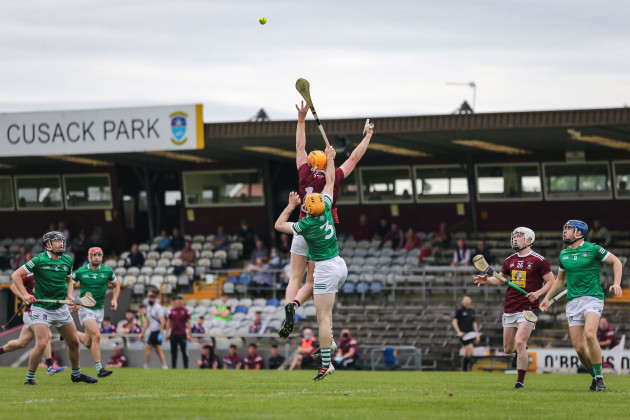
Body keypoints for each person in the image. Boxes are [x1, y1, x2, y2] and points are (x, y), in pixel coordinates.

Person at [281, 104, 373, 342]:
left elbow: (299, 146)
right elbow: (354, 157)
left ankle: (288, 307)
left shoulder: (304, 172)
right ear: (325, 163)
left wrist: (301, 120)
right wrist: (368, 136)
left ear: (313, 163)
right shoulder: (335, 177)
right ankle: (313, 319)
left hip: (302, 226)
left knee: (294, 277)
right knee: (312, 282)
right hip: (321, 234)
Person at [276, 145, 348, 381]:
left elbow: (279, 225)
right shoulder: (326, 207)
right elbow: (329, 182)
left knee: (323, 318)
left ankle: (327, 364)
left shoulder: (305, 225)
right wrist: (331, 159)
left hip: (326, 269)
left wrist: (291, 207)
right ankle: (301, 311)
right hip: (340, 265)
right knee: (327, 314)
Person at [541, 220, 623, 392]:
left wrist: (617, 283)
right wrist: (547, 298)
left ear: (579, 232)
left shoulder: (593, 249)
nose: (565, 232)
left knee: (590, 335)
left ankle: (600, 377)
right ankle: (594, 376)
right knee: (579, 348)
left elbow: (617, 262)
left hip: (593, 298)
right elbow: (560, 281)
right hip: (573, 302)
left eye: (569, 229)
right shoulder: (563, 254)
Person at [11, 231, 97, 384]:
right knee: (42, 343)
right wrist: (24, 294)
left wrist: (70, 296)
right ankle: (30, 378)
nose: (61, 243)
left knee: (74, 342)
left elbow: (69, 281)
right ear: (48, 244)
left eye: (62, 241)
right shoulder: (38, 260)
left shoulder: (67, 260)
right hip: (41, 308)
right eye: (57, 241)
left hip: (61, 309)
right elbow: (15, 275)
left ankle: (76, 374)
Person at [474, 227, 554, 389]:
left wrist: (538, 293)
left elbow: (552, 282)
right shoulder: (509, 260)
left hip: (528, 308)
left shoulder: (539, 260)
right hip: (510, 306)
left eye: (519, 236)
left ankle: (520, 382)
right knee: (508, 348)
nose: (515, 238)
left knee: (519, 341)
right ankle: (520, 351)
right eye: (514, 236)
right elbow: (501, 280)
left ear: (529, 240)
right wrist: (487, 280)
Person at [0, 273, 67, 375]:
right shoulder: (31, 276)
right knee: (47, 335)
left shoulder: (51, 276)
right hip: (31, 313)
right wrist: (24, 297)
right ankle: (50, 366)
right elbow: (13, 286)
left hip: (41, 313)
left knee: (21, 343)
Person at [73, 246, 120, 378]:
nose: (96, 257)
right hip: (85, 308)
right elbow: (69, 284)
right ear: (89, 257)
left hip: (99, 309)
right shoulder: (81, 271)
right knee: (97, 336)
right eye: (93, 255)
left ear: (102, 256)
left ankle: (69, 333)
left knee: (88, 342)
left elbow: (116, 285)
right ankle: (100, 369)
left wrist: (115, 299)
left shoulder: (107, 271)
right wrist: (72, 300)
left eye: (99, 255)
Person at [451, 296, 480, 372]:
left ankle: (464, 370)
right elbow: (454, 321)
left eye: (468, 299)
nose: (467, 301)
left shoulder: (472, 311)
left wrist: (477, 334)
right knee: (471, 351)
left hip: (471, 334)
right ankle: (465, 369)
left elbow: (474, 323)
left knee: (467, 353)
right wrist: (458, 332)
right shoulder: (460, 311)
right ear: (462, 301)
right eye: (465, 299)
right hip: (464, 334)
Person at [143, 291, 168, 369]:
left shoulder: (158, 307)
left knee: (147, 347)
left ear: (155, 299)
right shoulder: (149, 308)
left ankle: (146, 365)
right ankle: (164, 366)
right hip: (152, 330)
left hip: (156, 331)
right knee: (158, 350)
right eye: (149, 298)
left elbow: (162, 320)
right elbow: (148, 321)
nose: (150, 300)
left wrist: (161, 332)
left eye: (152, 298)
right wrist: (143, 331)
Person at [165, 295, 192, 369]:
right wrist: (166, 333)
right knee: (173, 352)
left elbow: (189, 323)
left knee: (184, 351)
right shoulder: (172, 311)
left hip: (182, 334)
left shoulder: (186, 311)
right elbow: (169, 322)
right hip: (173, 334)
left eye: (181, 300)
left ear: (182, 301)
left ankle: (186, 367)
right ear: (176, 301)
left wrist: (189, 334)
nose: (179, 301)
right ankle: (173, 367)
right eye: (178, 300)